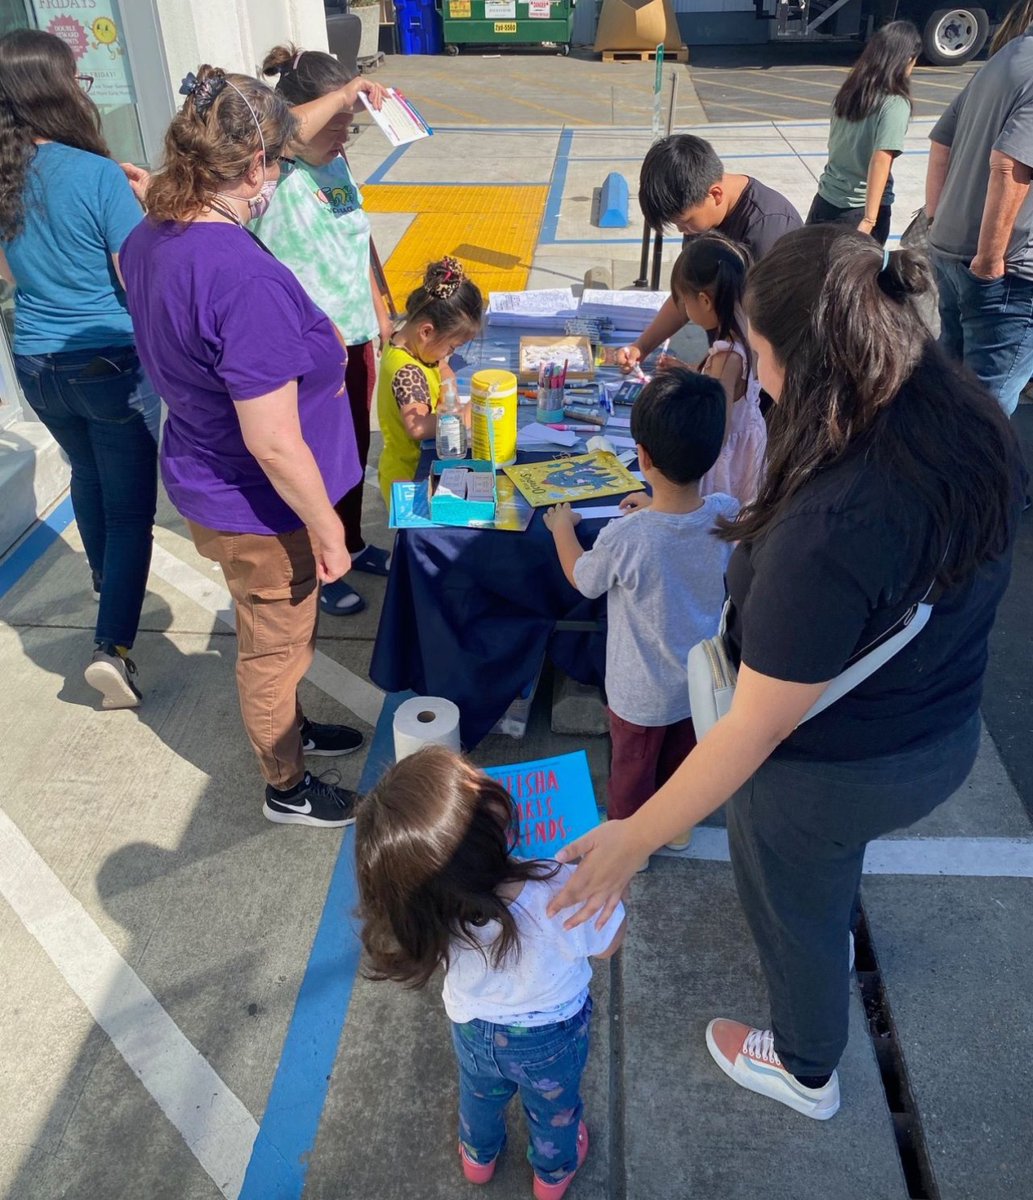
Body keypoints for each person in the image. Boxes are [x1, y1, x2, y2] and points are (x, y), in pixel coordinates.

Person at [545, 226, 1020, 1121]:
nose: (755, 379)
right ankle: (826, 923)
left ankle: (804, 1068)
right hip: (939, 729)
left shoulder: (833, 528)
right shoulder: (966, 417)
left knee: (794, 904)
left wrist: (632, 837)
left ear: (810, 364)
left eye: (758, 355)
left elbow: (753, 729)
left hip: (831, 773)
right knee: (824, 873)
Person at [120, 65, 382, 827]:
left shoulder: (151, 236)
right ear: (257, 163)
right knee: (274, 650)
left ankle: (291, 727)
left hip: (209, 473)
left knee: (276, 634)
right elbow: (271, 439)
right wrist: (329, 528)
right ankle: (286, 786)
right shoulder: (240, 277)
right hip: (259, 505)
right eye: (277, 162)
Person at [354, 745, 625, 1199]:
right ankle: (552, 1175)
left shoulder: (429, 914)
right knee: (554, 1109)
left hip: (474, 1030)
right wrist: (617, 883)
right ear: (487, 826)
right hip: (553, 1037)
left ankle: (479, 1157)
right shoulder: (558, 886)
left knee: (479, 1096)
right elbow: (608, 944)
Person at [0, 29, 157, 709]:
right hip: (107, 360)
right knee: (131, 510)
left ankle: (106, 584)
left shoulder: (5, 174)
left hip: (36, 363)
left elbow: (10, 276)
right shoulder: (96, 174)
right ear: (57, 89)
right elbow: (139, 275)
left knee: (87, 476)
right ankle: (111, 648)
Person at [544, 367, 737, 856]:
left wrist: (562, 528)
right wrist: (654, 503)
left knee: (631, 774)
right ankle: (676, 829)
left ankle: (629, 851)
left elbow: (583, 578)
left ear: (643, 457)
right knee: (682, 766)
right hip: (698, 683)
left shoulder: (627, 537)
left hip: (639, 693)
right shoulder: (726, 511)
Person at [257, 43, 394, 618]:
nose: (343, 137)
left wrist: (380, 309)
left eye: (349, 127)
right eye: (335, 124)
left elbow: (358, 236)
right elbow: (280, 129)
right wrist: (343, 94)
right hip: (306, 350)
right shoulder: (273, 169)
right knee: (314, 462)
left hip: (354, 338)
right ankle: (320, 564)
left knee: (353, 451)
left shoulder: (335, 165)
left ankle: (350, 543)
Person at [619, 135, 801, 373]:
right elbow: (687, 293)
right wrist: (641, 347)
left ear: (715, 194)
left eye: (685, 222)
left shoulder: (768, 230)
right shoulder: (701, 215)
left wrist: (707, 373)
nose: (683, 231)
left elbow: (771, 336)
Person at [925, 26, 1033, 416]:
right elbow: (1010, 165)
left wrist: (936, 220)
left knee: (949, 384)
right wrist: (990, 260)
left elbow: (942, 143)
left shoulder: (1003, 59)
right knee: (986, 408)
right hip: (1004, 275)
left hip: (951, 252)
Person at [665, 235, 766, 504]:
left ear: (705, 301)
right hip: (749, 451)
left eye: (685, 302)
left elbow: (716, 427)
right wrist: (690, 373)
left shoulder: (726, 357)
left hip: (725, 466)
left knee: (721, 519)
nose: (685, 310)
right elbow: (733, 391)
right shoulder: (747, 332)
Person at [377, 257, 483, 510]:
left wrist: (447, 379)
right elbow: (418, 427)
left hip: (406, 467)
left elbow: (439, 365)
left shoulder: (406, 343)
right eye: (451, 347)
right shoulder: (408, 372)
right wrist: (467, 414)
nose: (449, 354)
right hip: (411, 477)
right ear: (426, 332)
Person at [805, 21, 921, 246]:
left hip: (825, 201)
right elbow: (880, 160)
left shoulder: (850, 92)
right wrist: (870, 219)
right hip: (859, 211)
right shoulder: (894, 104)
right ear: (907, 59)